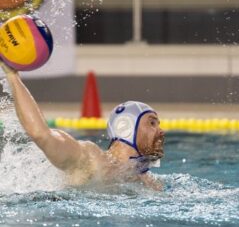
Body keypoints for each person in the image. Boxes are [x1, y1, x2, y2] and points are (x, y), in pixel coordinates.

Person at [0, 61, 165, 191]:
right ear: (126, 127)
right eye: (152, 123)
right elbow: (41, 134)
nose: (161, 131)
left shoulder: (148, 182)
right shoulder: (90, 159)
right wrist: (12, 75)